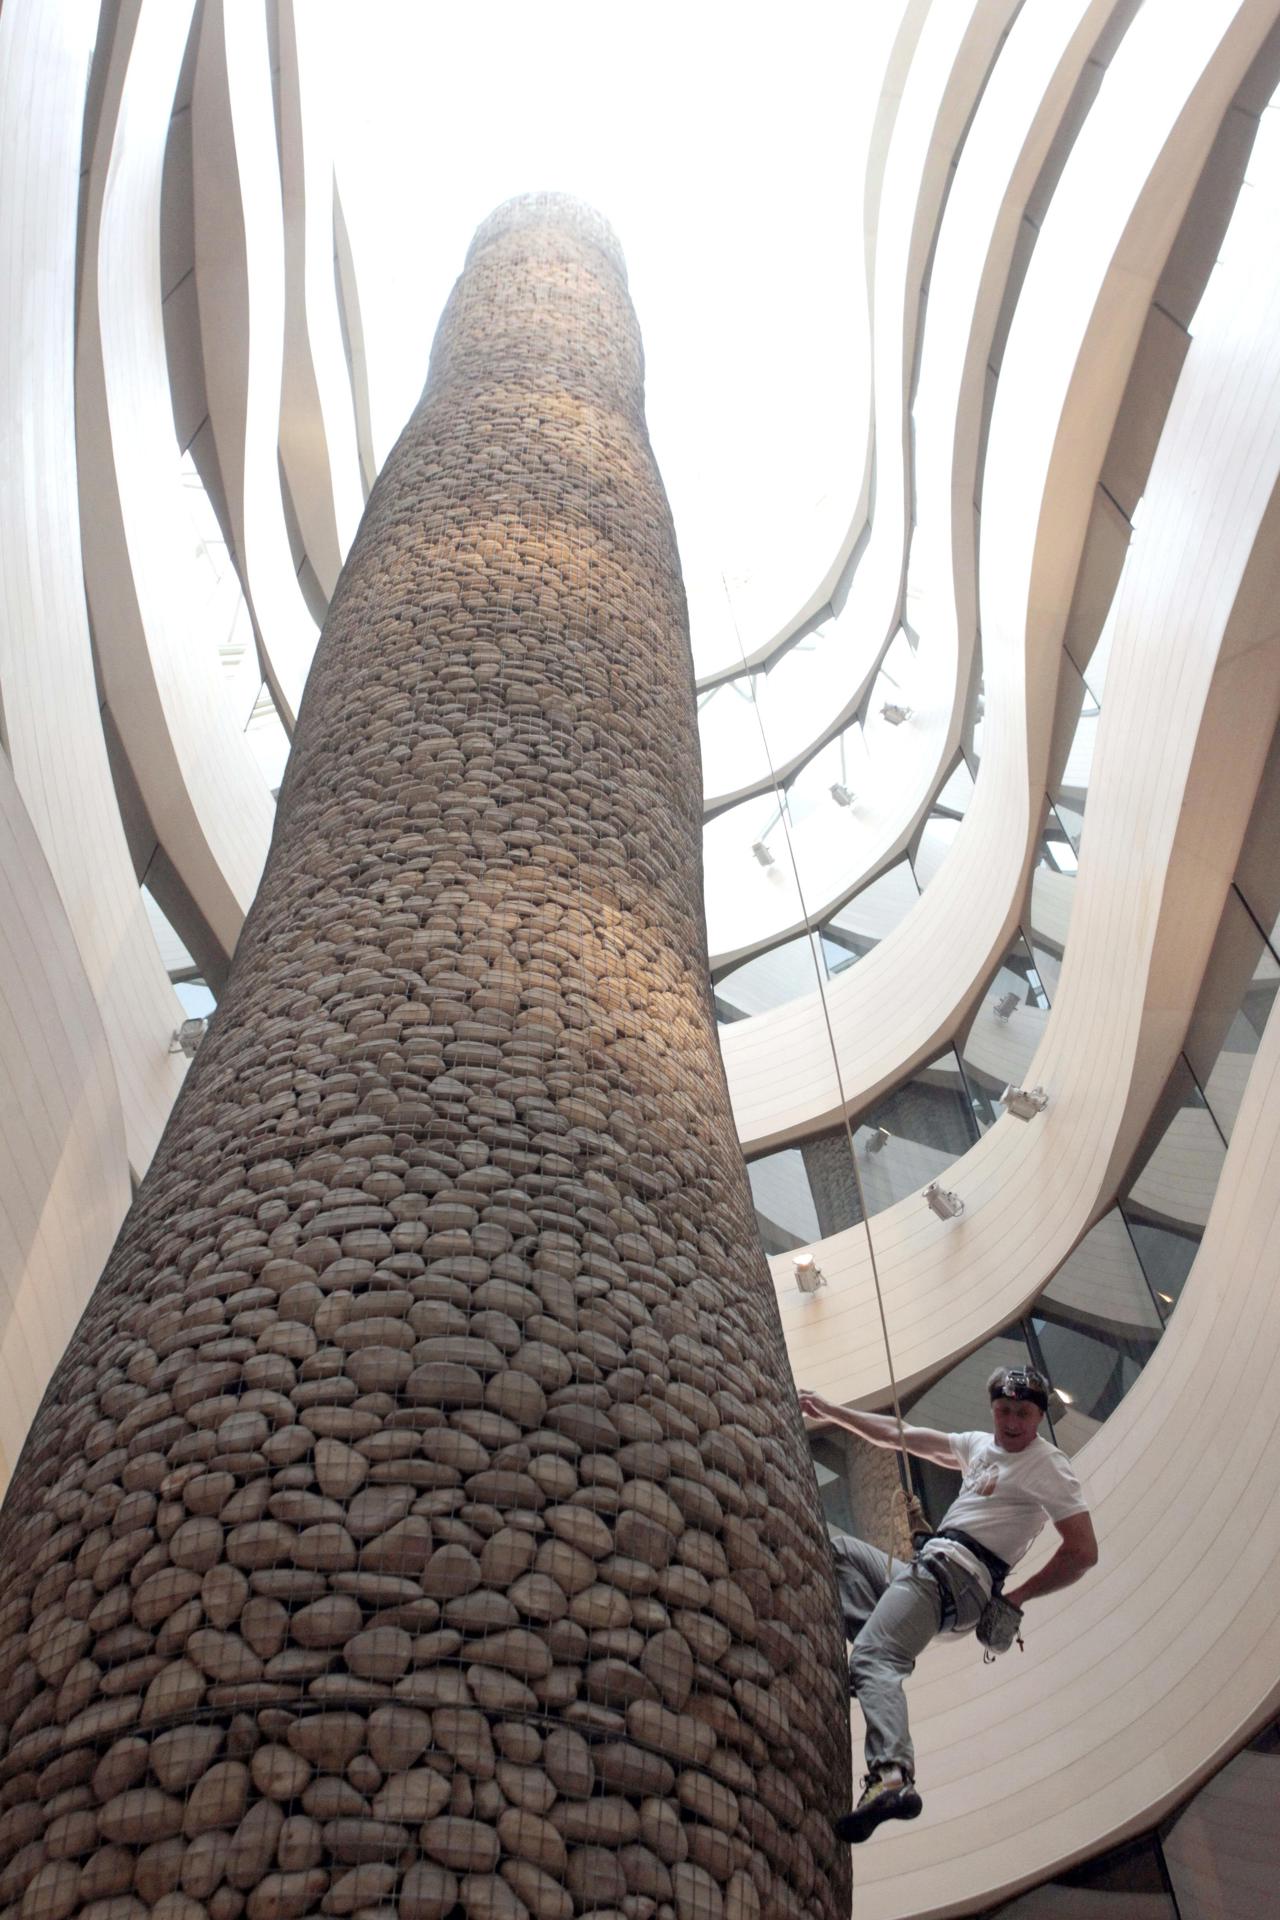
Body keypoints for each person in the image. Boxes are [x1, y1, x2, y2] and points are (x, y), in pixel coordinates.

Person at [799, 1366, 1098, 1844]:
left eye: (1023, 1412)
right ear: (993, 1409)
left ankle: (892, 1776)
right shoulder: (980, 1446)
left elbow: (1083, 1551)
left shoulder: (1048, 1465)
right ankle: (867, 1668)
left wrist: (1017, 1597)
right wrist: (831, 1411)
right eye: (1004, 1410)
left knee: (877, 1658)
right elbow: (902, 1435)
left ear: (1040, 1416)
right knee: (838, 1555)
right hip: (929, 1569)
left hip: (957, 1578)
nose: (1012, 1421)